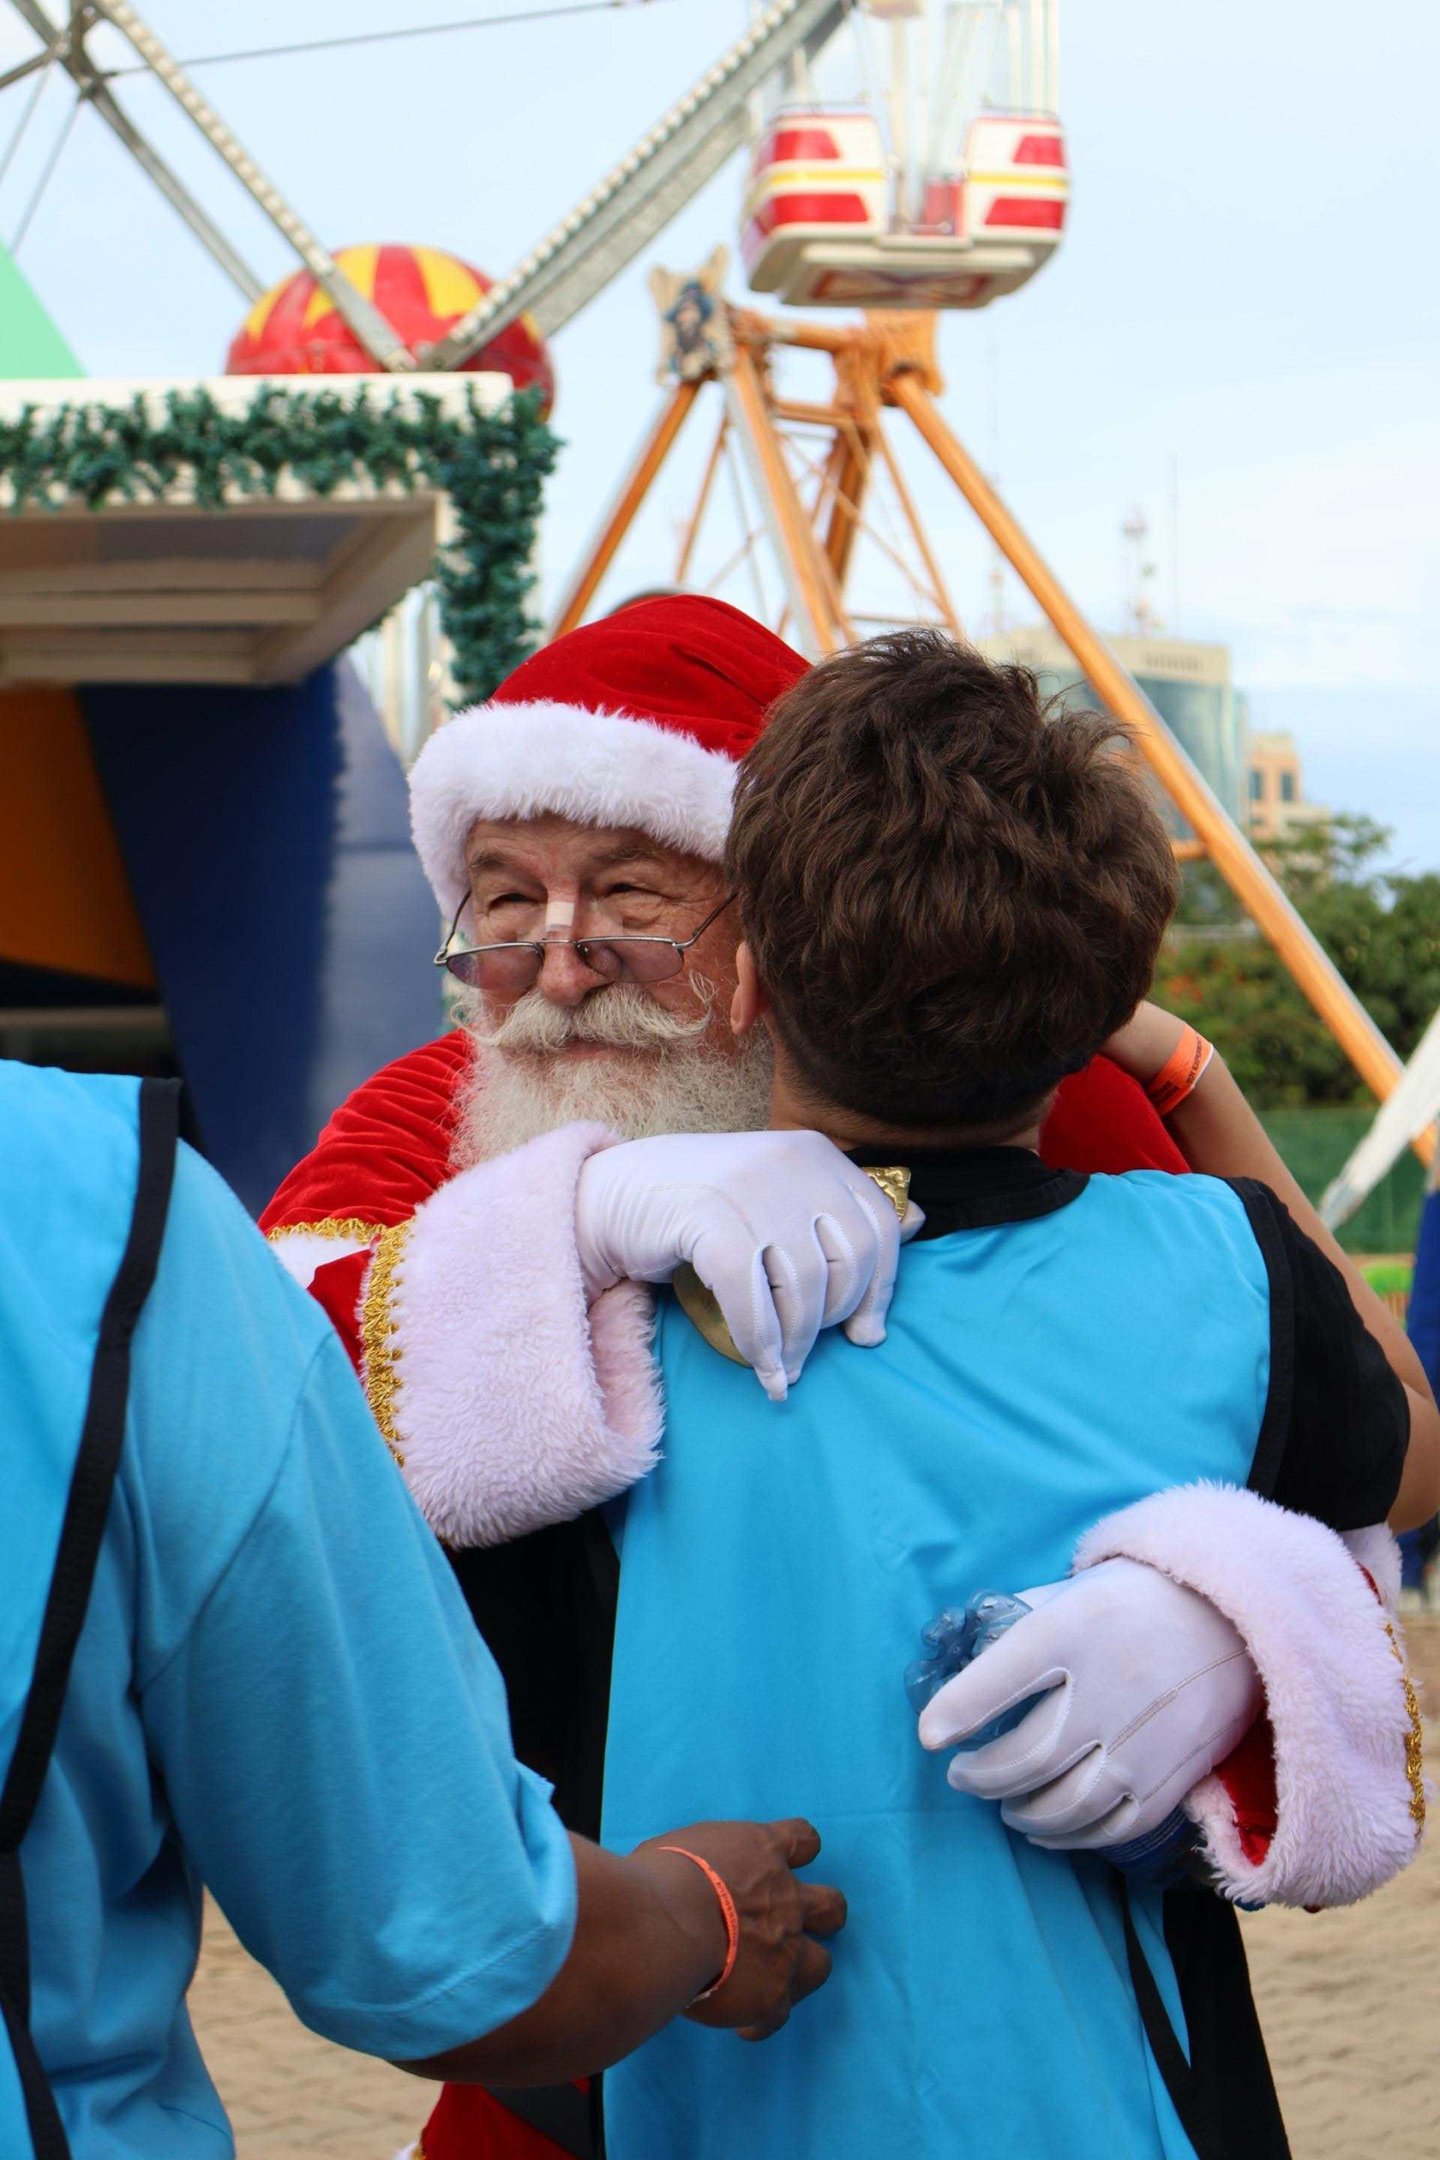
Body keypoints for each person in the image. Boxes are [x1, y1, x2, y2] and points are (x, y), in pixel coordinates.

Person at [261, 596, 1425, 2159]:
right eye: (504, 899)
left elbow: (1336, 1449)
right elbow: (257, 1406)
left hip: (1078, 2033)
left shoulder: (1040, 1093)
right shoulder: (452, 1114)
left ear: (764, 925)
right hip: (610, 2046)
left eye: (629, 892)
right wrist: (565, 1223)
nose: (558, 962)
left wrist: (1229, 1617)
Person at [595, 633, 1434, 2159]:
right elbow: (1413, 1449)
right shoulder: (1228, 1274)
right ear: (1097, 1000)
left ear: (745, 975)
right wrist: (1190, 1071)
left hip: (713, 2102)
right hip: (1131, 2106)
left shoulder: (592, 1313)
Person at [0, 1060, 844, 2160]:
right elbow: (448, 1942)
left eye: (635, 935)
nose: (562, 972)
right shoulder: (111, 1195)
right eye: (485, 947)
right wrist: (702, 1914)